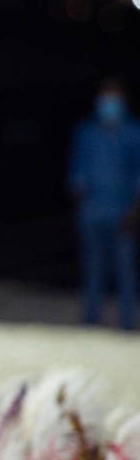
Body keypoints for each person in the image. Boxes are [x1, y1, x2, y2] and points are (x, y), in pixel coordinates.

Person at [67, 77, 140, 331]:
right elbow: (76, 171)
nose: (109, 103)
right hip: (91, 211)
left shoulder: (134, 132)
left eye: (114, 97)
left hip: (123, 211)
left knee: (125, 271)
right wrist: (79, 198)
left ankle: (127, 326)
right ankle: (90, 323)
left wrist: (134, 211)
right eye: (105, 97)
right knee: (93, 269)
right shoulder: (86, 131)